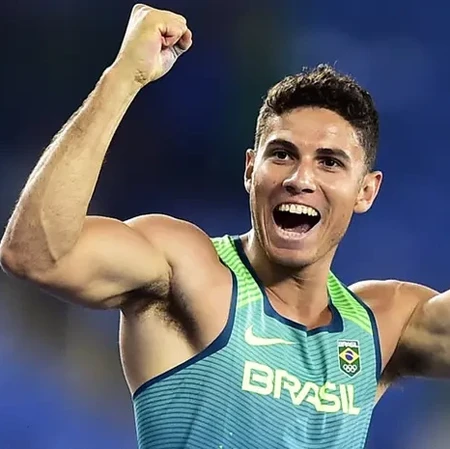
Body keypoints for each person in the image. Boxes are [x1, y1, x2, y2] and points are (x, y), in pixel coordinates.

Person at [0, 4, 447, 449]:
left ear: (366, 191)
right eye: (282, 154)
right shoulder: (186, 271)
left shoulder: (382, 325)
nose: (300, 179)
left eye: (329, 162)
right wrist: (123, 76)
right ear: (250, 170)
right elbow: (33, 253)